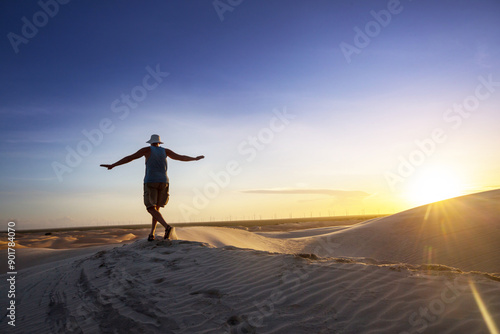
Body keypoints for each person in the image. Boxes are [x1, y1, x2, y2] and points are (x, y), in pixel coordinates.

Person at [100, 134, 204, 241]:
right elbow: (181, 157)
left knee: (150, 208)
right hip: (164, 182)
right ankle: (152, 234)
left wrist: (113, 165)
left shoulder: (146, 150)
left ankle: (167, 227)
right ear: (159, 143)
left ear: (151, 142)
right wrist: (195, 159)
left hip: (151, 181)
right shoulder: (165, 151)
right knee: (156, 209)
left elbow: (130, 158)